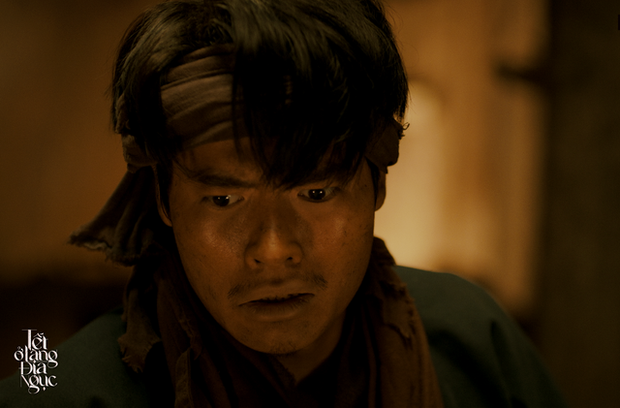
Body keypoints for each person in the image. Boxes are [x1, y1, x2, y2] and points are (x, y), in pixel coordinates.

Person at [0, 0, 568, 406]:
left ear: (378, 185)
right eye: (224, 198)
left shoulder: (472, 343)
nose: (273, 250)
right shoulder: (61, 390)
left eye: (315, 192)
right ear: (164, 200)